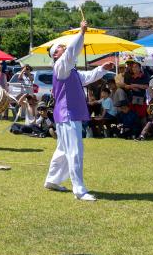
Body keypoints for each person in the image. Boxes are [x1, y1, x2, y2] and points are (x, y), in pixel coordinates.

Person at [44, 20, 115, 202]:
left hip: (66, 115)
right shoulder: (61, 66)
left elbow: (88, 77)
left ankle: (52, 180)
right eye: (60, 48)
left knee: (63, 150)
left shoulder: (71, 71)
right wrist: (81, 33)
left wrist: (101, 69)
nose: (64, 48)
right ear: (55, 55)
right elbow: (71, 53)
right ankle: (79, 190)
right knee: (75, 150)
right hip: (68, 114)